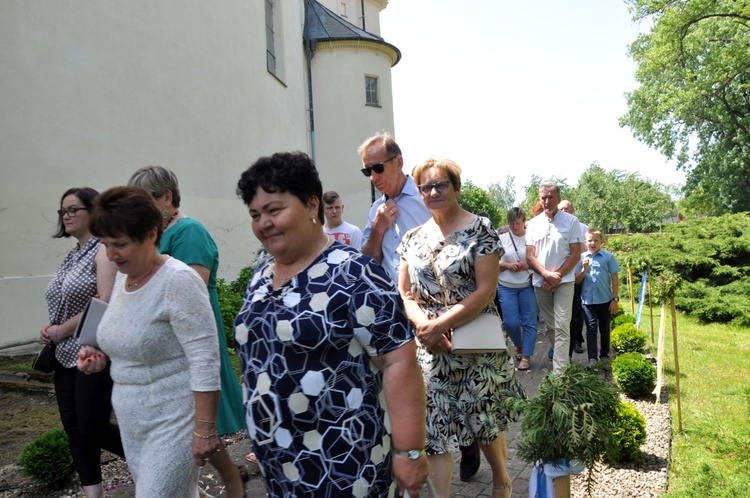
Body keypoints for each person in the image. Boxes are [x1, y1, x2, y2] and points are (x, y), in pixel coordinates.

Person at [234, 151, 429, 498]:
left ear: (312, 205)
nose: (263, 222)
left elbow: (398, 360)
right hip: (279, 464)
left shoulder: (355, 274)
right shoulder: (260, 276)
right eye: (255, 214)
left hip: (342, 465)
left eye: (274, 210)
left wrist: (410, 452)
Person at [78, 186, 223, 497]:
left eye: (120, 244)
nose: (111, 255)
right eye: (105, 245)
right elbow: (132, 343)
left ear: (151, 234)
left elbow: (205, 359)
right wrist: (101, 358)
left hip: (174, 419)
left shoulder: (178, 281)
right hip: (132, 420)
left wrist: (204, 429)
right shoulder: (122, 277)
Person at [397, 157, 524, 498]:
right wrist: (426, 326)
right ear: (419, 191)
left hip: (476, 342)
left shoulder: (479, 228)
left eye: (441, 184)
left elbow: (487, 290)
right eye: (426, 186)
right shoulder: (411, 237)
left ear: (455, 187)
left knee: (483, 421)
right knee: (435, 431)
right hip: (431, 348)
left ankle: (501, 480)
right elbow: (404, 292)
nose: (433, 191)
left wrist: (440, 324)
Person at [128, 165, 247, 496]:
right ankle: (226, 482)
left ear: (167, 197)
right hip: (166, 346)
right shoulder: (155, 234)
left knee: (194, 427)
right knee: (188, 432)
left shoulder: (188, 232)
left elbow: (191, 292)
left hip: (188, 344)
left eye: (145, 199)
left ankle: (232, 481)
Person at [40, 187, 124, 498]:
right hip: (63, 354)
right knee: (75, 430)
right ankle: (94, 495)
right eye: (63, 211)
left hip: (93, 351)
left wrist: (63, 329)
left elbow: (104, 300)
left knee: (93, 426)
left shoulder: (103, 250)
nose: (67, 216)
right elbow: (64, 301)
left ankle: (160, 461)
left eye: (74, 209)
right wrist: (51, 328)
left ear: (94, 211)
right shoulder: (73, 253)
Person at [358, 132, 431, 282]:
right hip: (391, 300)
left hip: (431, 298)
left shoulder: (427, 198)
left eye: (378, 168)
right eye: (367, 171)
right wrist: (377, 230)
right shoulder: (375, 209)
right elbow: (367, 263)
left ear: (398, 163)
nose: (373, 177)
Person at [525, 183, 583, 375]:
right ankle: (564, 361)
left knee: (562, 325)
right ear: (539, 199)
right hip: (541, 283)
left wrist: (556, 276)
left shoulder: (571, 221)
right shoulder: (533, 224)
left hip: (564, 282)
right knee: (551, 327)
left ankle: (560, 374)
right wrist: (545, 275)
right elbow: (530, 256)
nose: (547, 201)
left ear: (558, 199)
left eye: (551, 197)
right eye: (543, 198)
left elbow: (575, 254)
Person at [497, 207, 538, 371]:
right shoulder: (502, 239)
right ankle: (518, 345)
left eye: (518, 223)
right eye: (512, 224)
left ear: (524, 221)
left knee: (529, 322)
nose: (515, 227)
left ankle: (526, 357)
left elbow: (539, 259)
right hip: (506, 286)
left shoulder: (532, 237)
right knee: (510, 323)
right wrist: (508, 265)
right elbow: (493, 263)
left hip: (527, 284)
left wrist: (528, 264)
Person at [574, 229, 621, 369]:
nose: (592, 243)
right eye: (590, 240)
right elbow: (576, 281)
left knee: (604, 329)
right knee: (591, 328)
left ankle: (605, 357)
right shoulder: (581, 258)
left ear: (601, 241)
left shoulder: (608, 257)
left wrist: (615, 299)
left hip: (605, 300)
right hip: (587, 302)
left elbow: (614, 278)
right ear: (585, 242)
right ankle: (592, 358)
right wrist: (584, 269)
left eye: (596, 240)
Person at [559, 199, 589, 355]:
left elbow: (588, 249)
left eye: (566, 208)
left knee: (577, 309)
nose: (564, 211)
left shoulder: (583, 228)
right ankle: (561, 344)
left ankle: (577, 340)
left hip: (577, 273)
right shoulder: (555, 227)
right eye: (561, 209)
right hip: (560, 275)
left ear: (573, 209)